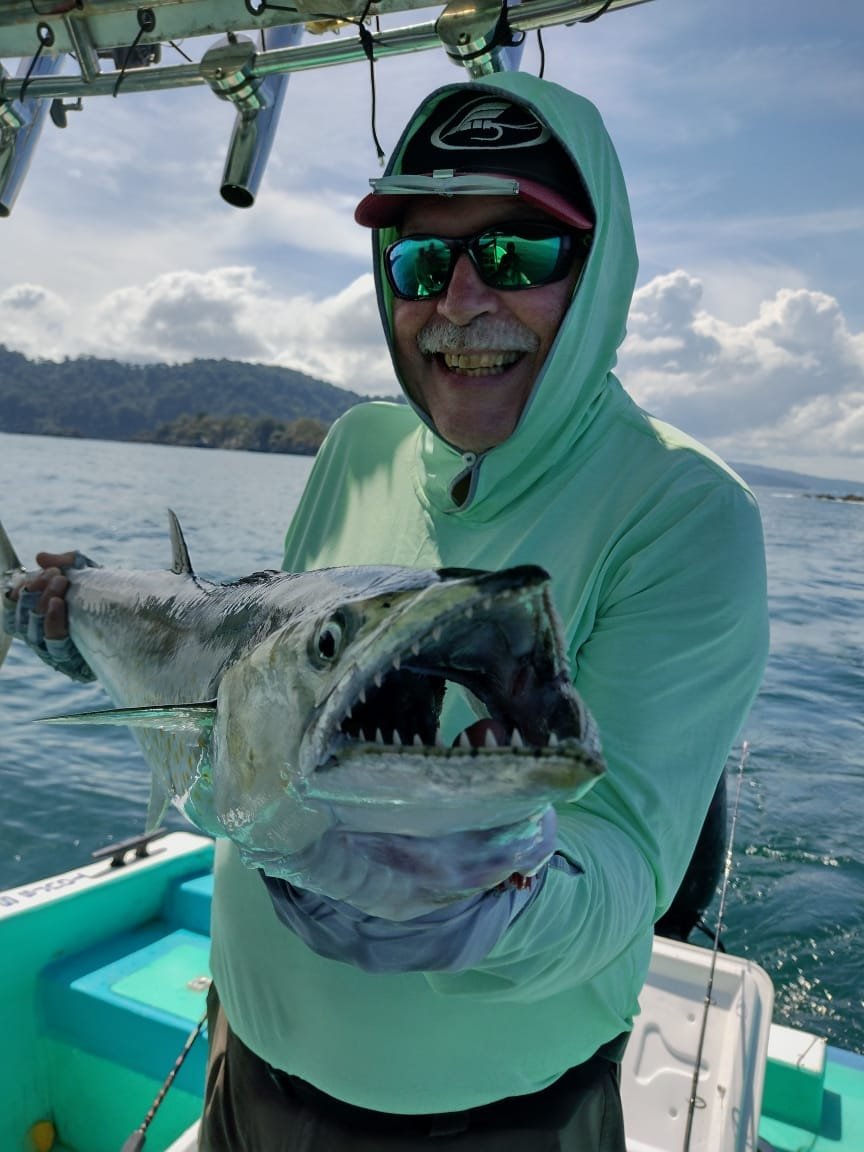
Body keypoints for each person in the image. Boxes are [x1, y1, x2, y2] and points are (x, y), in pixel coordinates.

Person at [5, 74, 768, 1151]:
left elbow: (630, 868)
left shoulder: (686, 513)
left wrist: (481, 908)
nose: (460, 302)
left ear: (598, 272)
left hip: (494, 1127)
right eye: (421, 260)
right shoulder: (361, 444)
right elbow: (258, 690)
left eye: (516, 255)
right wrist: (97, 654)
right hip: (246, 1067)